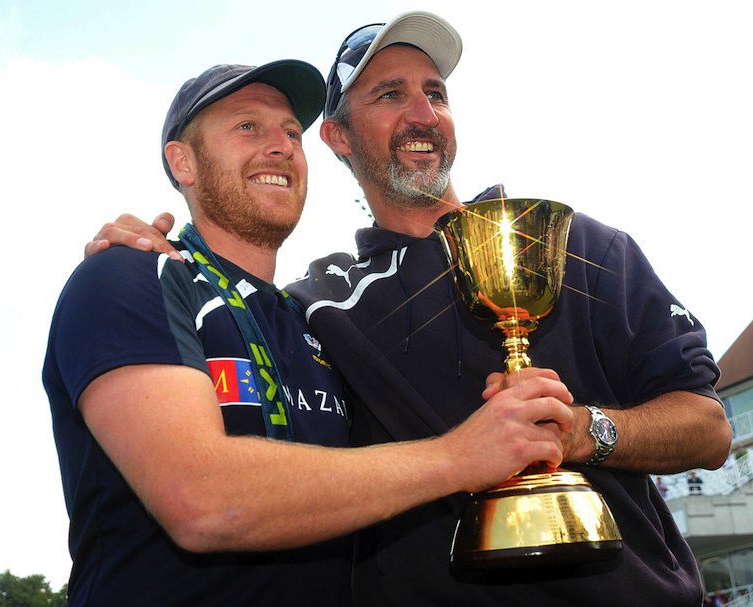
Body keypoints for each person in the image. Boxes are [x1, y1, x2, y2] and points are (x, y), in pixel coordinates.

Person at [88, 11, 733, 606]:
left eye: (436, 93)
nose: (422, 113)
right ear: (338, 136)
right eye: (390, 95)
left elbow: (709, 427)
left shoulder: (575, 243)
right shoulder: (318, 308)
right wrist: (147, 249)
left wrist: (587, 431)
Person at [45, 59, 576, 606]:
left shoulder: (316, 321)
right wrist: (459, 458)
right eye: (248, 126)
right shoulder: (131, 275)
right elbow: (203, 501)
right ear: (183, 161)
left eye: (292, 133)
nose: (280, 146)